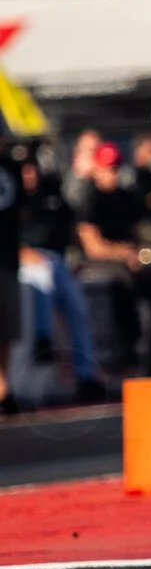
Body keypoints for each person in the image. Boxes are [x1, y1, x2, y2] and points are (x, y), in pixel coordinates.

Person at [76, 142, 151, 374]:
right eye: (108, 168)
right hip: (101, 267)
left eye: (116, 168)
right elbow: (93, 247)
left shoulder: (127, 198)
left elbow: (138, 235)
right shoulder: (90, 199)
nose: (112, 174)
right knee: (123, 292)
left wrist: (139, 256)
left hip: (130, 263)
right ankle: (118, 361)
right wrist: (124, 253)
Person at [15, 145, 104, 401]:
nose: (30, 174)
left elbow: (71, 228)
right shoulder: (12, 199)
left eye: (32, 168)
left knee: (78, 309)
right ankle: (43, 340)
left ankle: (86, 376)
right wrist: (23, 251)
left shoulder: (52, 194)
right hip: (26, 262)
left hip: (58, 259)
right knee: (42, 277)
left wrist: (79, 257)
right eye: (25, 170)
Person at [0, 147, 19, 415]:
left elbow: (22, 212)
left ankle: (4, 388)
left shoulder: (10, 167)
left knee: (7, 329)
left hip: (6, 261)